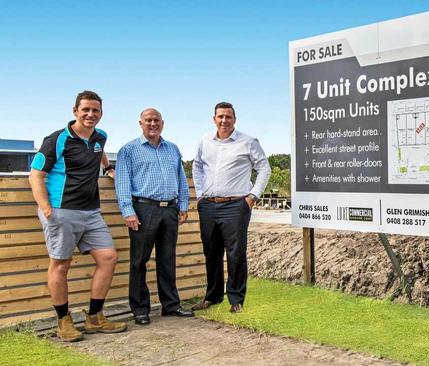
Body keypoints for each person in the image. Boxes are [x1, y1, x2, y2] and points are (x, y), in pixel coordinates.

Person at [28, 90, 127, 342]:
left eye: (95, 110)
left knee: (108, 257)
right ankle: (63, 321)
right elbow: (35, 174)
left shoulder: (100, 137)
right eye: (85, 110)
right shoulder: (57, 139)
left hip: (91, 211)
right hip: (61, 211)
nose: (90, 114)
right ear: (75, 111)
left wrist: (109, 168)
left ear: (101, 113)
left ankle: (94, 318)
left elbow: (100, 152)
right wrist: (47, 209)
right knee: (61, 264)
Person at [115, 108, 193, 325]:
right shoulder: (128, 150)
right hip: (143, 210)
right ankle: (140, 310)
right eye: (148, 120)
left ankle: (171, 305)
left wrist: (183, 206)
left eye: (156, 120)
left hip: (170, 209)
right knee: (139, 261)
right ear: (140, 123)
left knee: (167, 259)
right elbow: (122, 183)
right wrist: (127, 211)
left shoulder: (173, 149)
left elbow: (181, 179)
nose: (152, 124)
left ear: (162, 123)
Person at [192, 102, 271, 313]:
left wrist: (253, 196)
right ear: (214, 119)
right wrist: (199, 194)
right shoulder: (205, 141)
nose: (224, 120)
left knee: (235, 254)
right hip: (208, 205)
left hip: (236, 205)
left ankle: (236, 300)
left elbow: (264, 168)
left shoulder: (248, 142)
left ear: (234, 120)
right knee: (211, 252)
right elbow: (197, 166)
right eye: (220, 116)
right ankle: (213, 296)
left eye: (228, 117)